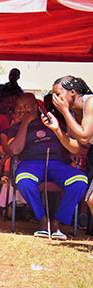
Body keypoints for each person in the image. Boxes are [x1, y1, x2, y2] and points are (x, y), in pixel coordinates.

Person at [2, 94, 87, 240]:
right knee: (24, 181)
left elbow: (70, 141)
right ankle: (42, 220)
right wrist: (25, 124)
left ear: (36, 107)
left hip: (58, 164)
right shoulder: (15, 128)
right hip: (31, 164)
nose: (22, 110)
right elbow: (14, 150)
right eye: (19, 107)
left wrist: (73, 151)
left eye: (26, 106)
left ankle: (57, 222)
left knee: (80, 181)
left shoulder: (53, 122)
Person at [51, 76, 93, 224]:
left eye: (58, 94)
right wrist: (57, 130)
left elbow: (84, 136)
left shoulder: (90, 102)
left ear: (72, 93)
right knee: (91, 200)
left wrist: (65, 112)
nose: (55, 99)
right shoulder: (73, 113)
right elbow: (74, 147)